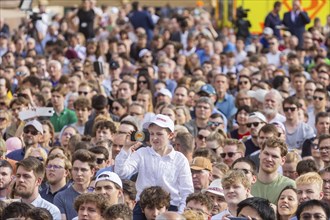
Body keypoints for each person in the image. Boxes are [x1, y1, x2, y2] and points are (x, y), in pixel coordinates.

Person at [115, 114, 193, 218]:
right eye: (151, 134)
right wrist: (126, 148)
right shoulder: (142, 153)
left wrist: (180, 214)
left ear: (170, 135)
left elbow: (187, 191)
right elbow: (121, 173)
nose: (154, 138)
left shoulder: (180, 159)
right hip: (143, 207)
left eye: (159, 134)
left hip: (171, 207)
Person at [251, 137, 295, 205]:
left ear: (282, 160)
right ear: (260, 154)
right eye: (266, 154)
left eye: (274, 156)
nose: (269, 159)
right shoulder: (247, 183)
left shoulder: (289, 185)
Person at [54, 149, 96, 220]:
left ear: (92, 172)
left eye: (83, 170)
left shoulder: (98, 195)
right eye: (76, 169)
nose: (79, 174)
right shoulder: (61, 197)